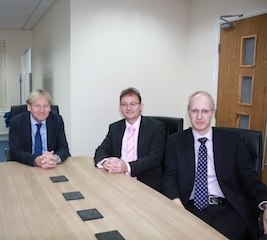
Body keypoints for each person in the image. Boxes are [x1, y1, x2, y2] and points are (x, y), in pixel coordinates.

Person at [163, 90, 267, 239]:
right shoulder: (176, 141)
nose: (199, 116)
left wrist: (265, 204)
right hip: (191, 207)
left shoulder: (233, 141)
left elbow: (250, 178)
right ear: (188, 112)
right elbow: (170, 177)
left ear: (213, 112)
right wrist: (175, 201)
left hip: (228, 208)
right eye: (195, 111)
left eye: (205, 111)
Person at [94, 87, 165, 191]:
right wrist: (105, 162)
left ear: (141, 106)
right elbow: (101, 150)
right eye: (124, 104)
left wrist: (126, 167)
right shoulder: (115, 128)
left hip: (147, 184)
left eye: (133, 104)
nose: (129, 108)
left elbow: (154, 158)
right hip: (118, 180)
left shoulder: (156, 127)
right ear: (120, 108)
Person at [9, 89, 70, 168]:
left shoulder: (56, 120)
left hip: (51, 166)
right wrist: (35, 160)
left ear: (50, 108)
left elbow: (64, 148)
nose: (42, 110)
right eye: (37, 106)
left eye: (45, 106)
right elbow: (15, 151)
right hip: (26, 166)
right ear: (29, 107)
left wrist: (55, 158)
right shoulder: (16, 122)